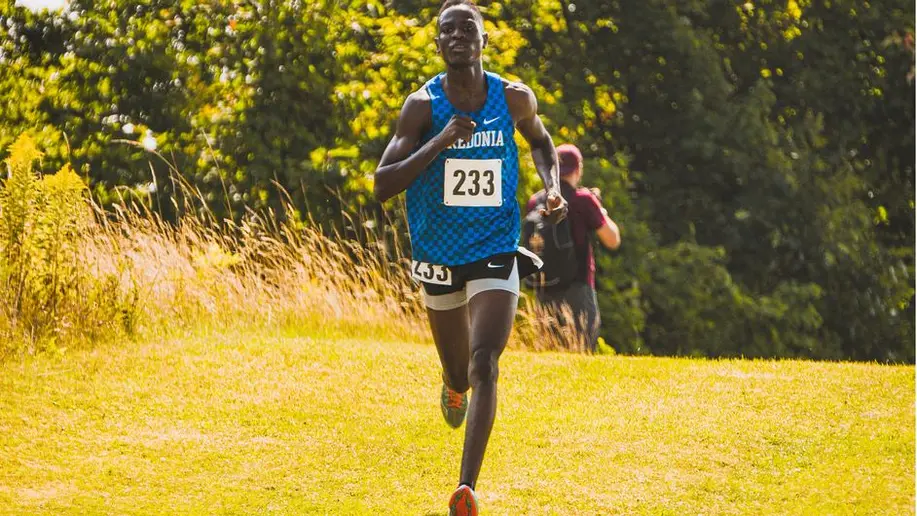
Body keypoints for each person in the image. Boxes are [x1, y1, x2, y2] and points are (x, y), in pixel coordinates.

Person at [372, 0, 567, 513]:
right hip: (438, 253)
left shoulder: (513, 98)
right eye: (447, 30)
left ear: (484, 41)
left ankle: (465, 489)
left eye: (468, 29)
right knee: (459, 372)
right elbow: (381, 186)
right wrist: (439, 141)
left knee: (486, 362)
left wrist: (551, 188)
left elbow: (543, 145)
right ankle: (451, 386)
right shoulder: (422, 106)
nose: (458, 36)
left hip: (494, 246)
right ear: (438, 44)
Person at [525, 144, 621, 353]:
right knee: (582, 350)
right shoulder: (583, 200)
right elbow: (612, 240)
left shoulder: (536, 201)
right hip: (578, 287)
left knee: (548, 351)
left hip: (544, 287)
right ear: (578, 169)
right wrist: (600, 209)